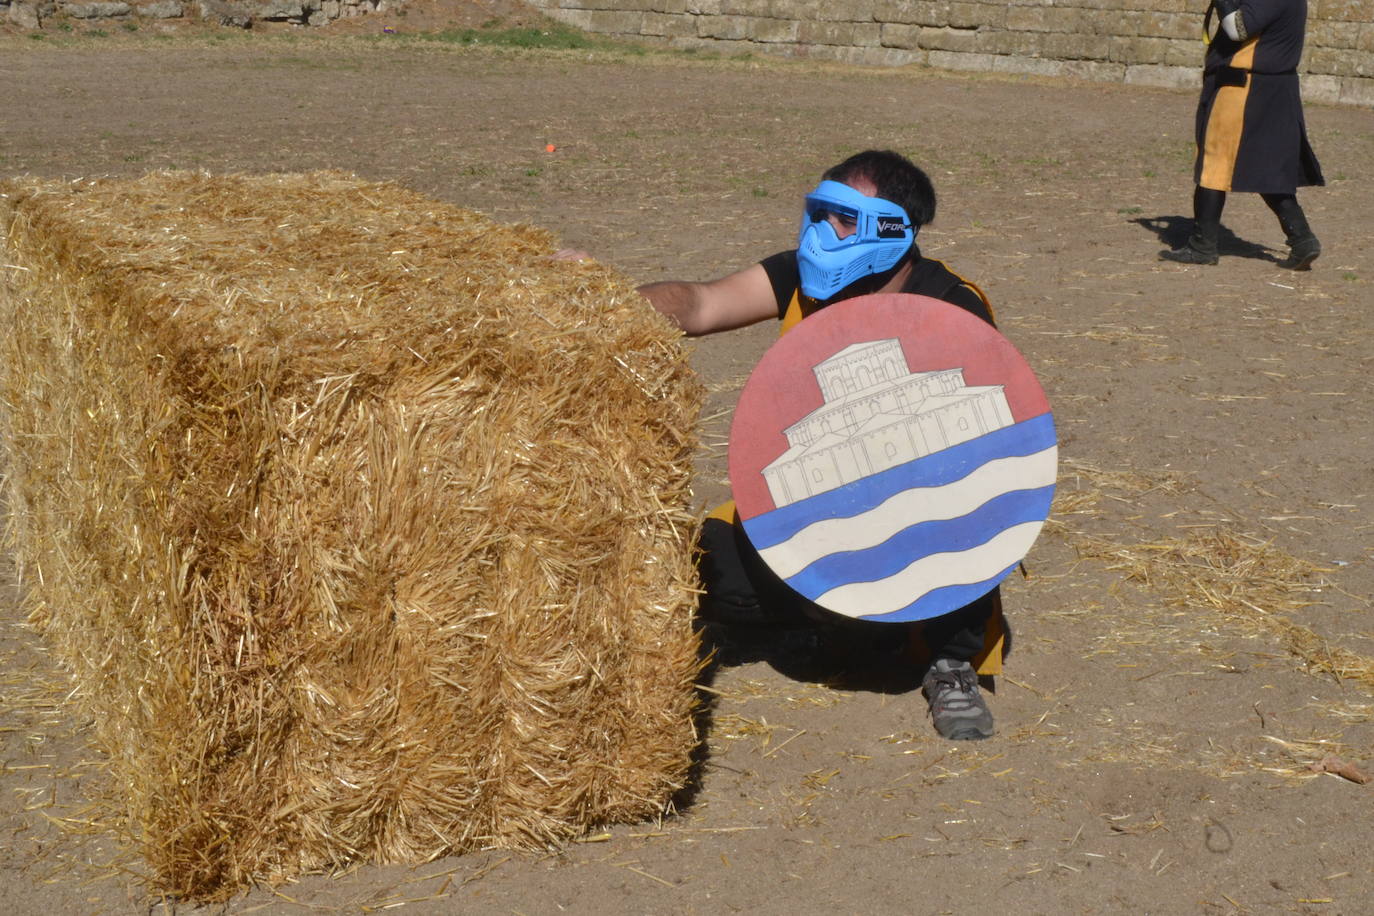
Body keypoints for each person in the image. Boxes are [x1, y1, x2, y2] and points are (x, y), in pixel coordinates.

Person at [620, 150, 1009, 741]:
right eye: (820, 212)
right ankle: (834, 621)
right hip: (821, 508)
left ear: (894, 226)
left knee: (956, 514)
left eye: (845, 219)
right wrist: (604, 306)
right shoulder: (801, 279)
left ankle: (948, 658)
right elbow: (700, 303)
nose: (824, 232)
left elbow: (980, 455)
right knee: (705, 567)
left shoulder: (952, 306)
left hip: (916, 512)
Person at [1160, 0, 1324, 269]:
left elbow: (1238, 28)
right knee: (1265, 166)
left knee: (1215, 162)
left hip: (1245, 87)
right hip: (1269, 86)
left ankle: (1202, 246)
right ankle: (1302, 239)